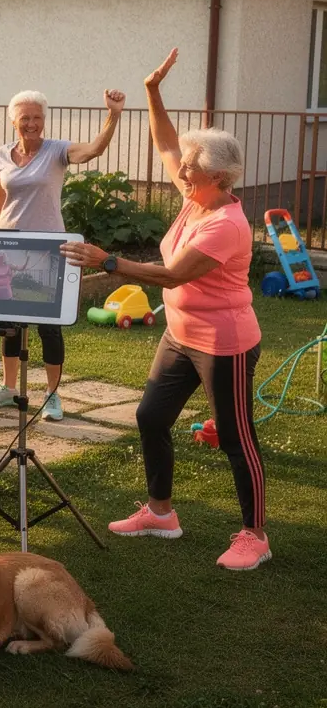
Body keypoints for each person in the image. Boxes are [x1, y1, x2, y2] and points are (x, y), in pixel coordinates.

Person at [62, 48, 269, 571]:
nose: (183, 170)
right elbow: (166, 142)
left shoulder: (226, 224)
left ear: (220, 178)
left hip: (225, 342)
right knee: (151, 416)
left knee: (235, 436)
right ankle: (160, 512)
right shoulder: (196, 196)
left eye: (194, 168)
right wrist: (152, 92)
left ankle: (255, 534)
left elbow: (174, 274)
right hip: (179, 334)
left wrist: (109, 260)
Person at [0, 84, 126, 421]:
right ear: (13, 120)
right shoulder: (3, 153)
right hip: (11, 247)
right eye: (25, 118)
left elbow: (92, 151)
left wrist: (112, 117)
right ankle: (8, 388)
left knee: (49, 327)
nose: (32, 123)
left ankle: (52, 394)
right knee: (10, 324)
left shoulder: (57, 151)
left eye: (37, 117)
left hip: (50, 248)